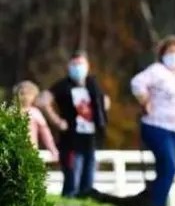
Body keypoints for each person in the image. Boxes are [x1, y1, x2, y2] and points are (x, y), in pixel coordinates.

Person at [129, 35, 175, 206]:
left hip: (174, 129)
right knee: (170, 167)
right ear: (163, 54)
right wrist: (144, 100)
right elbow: (137, 83)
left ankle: (150, 201)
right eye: (170, 52)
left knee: (164, 169)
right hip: (157, 126)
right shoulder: (157, 70)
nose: (174, 55)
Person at [39, 50, 109, 198]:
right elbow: (42, 101)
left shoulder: (93, 85)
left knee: (88, 177)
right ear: (69, 66)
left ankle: (87, 201)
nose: (78, 67)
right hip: (71, 139)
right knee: (72, 178)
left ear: (87, 65)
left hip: (91, 137)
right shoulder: (63, 86)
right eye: (75, 64)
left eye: (81, 64)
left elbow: (104, 102)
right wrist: (57, 121)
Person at [12, 80, 59, 158]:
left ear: (34, 96)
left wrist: (53, 149)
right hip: (13, 150)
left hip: (30, 150)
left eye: (29, 94)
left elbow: (45, 133)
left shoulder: (35, 113)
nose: (25, 97)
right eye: (22, 93)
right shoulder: (12, 111)